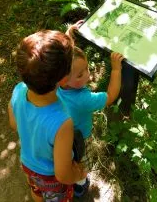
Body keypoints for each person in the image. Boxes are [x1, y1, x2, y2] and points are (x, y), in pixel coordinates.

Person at [8, 30, 86, 202]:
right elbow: (63, 174)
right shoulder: (62, 122)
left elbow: (14, 124)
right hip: (51, 178)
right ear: (64, 80)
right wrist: (78, 174)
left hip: (28, 165)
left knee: (36, 191)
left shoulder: (19, 90)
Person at [57, 39, 124, 197]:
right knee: (81, 164)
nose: (88, 74)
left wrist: (68, 36)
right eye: (81, 74)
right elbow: (110, 96)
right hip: (80, 139)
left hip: (60, 135)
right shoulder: (83, 99)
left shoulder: (54, 83)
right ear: (63, 79)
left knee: (66, 159)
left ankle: (64, 178)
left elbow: (62, 59)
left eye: (87, 67)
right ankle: (79, 186)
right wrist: (116, 70)